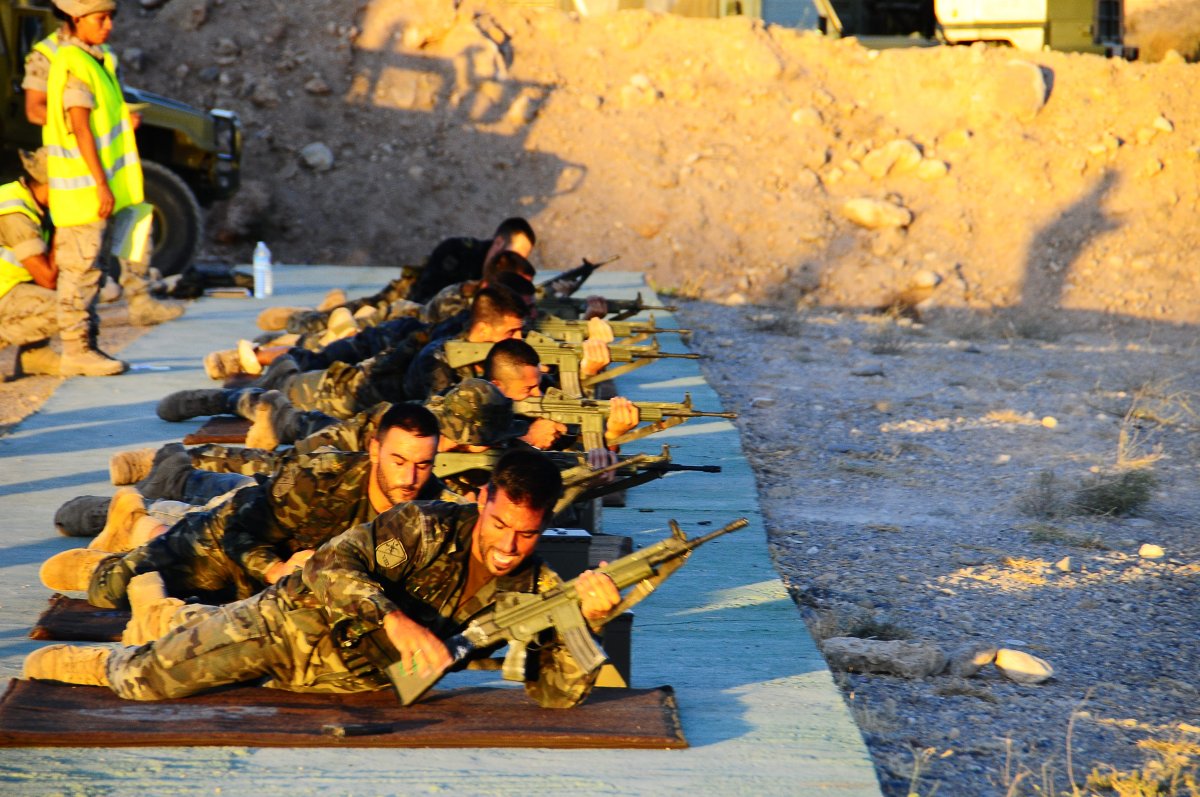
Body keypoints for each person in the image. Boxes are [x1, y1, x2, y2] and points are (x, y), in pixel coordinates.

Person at [25, 449, 621, 709]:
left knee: (194, 630)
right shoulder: (424, 526)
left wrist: (588, 625)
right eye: (500, 526)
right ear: (483, 500)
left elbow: (554, 694)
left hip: (349, 685)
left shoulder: (537, 588)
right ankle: (105, 656)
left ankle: (162, 611)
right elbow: (330, 566)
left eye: (526, 535)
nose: (508, 548)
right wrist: (396, 621)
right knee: (150, 680)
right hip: (289, 626)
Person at [39, 403, 443, 612]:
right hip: (226, 550)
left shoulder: (431, 510)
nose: (409, 478)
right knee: (110, 590)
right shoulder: (319, 477)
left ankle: (143, 526)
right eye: (398, 461)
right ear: (374, 450)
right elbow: (238, 532)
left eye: (423, 465)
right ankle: (125, 537)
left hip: (282, 601)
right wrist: (277, 570)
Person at [42, 0, 182, 377]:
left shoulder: (95, 60)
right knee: (80, 271)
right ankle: (77, 350)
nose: (108, 26)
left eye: (110, 19)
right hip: (83, 190)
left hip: (92, 189)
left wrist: (123, 118)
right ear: (76, 18)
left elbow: (99, 120)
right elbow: (79, 127)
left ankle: (87, 347)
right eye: (100, 19)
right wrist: (100, 183)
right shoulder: (75, 63)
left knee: (93, 270)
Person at [0, 149, 60, 377]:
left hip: (8, 288)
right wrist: (64, 228)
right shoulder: (16, 214)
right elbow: (47, 279)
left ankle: (34, 355)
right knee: (71, 306)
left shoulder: (30, 202)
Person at [406, 216, 536, 304]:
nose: (517, 263)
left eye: (522, 259)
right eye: (513, 256)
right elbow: (423, 301)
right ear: (499, 242)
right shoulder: (457, 253)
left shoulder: (513, 276)